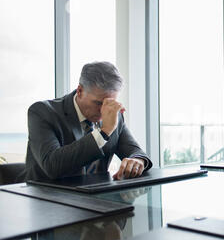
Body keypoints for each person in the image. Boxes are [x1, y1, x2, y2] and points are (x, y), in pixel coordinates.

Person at [19, 61, 152, 181]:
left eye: (109, 102)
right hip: (47, 199)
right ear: (80, 91)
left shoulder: (113, 114)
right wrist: (103, 133)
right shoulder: (42, 112)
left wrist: (137, 161)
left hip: (95, 197)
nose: (103, 111)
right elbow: (52, 166)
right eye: (98, 103)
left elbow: (135, 151)